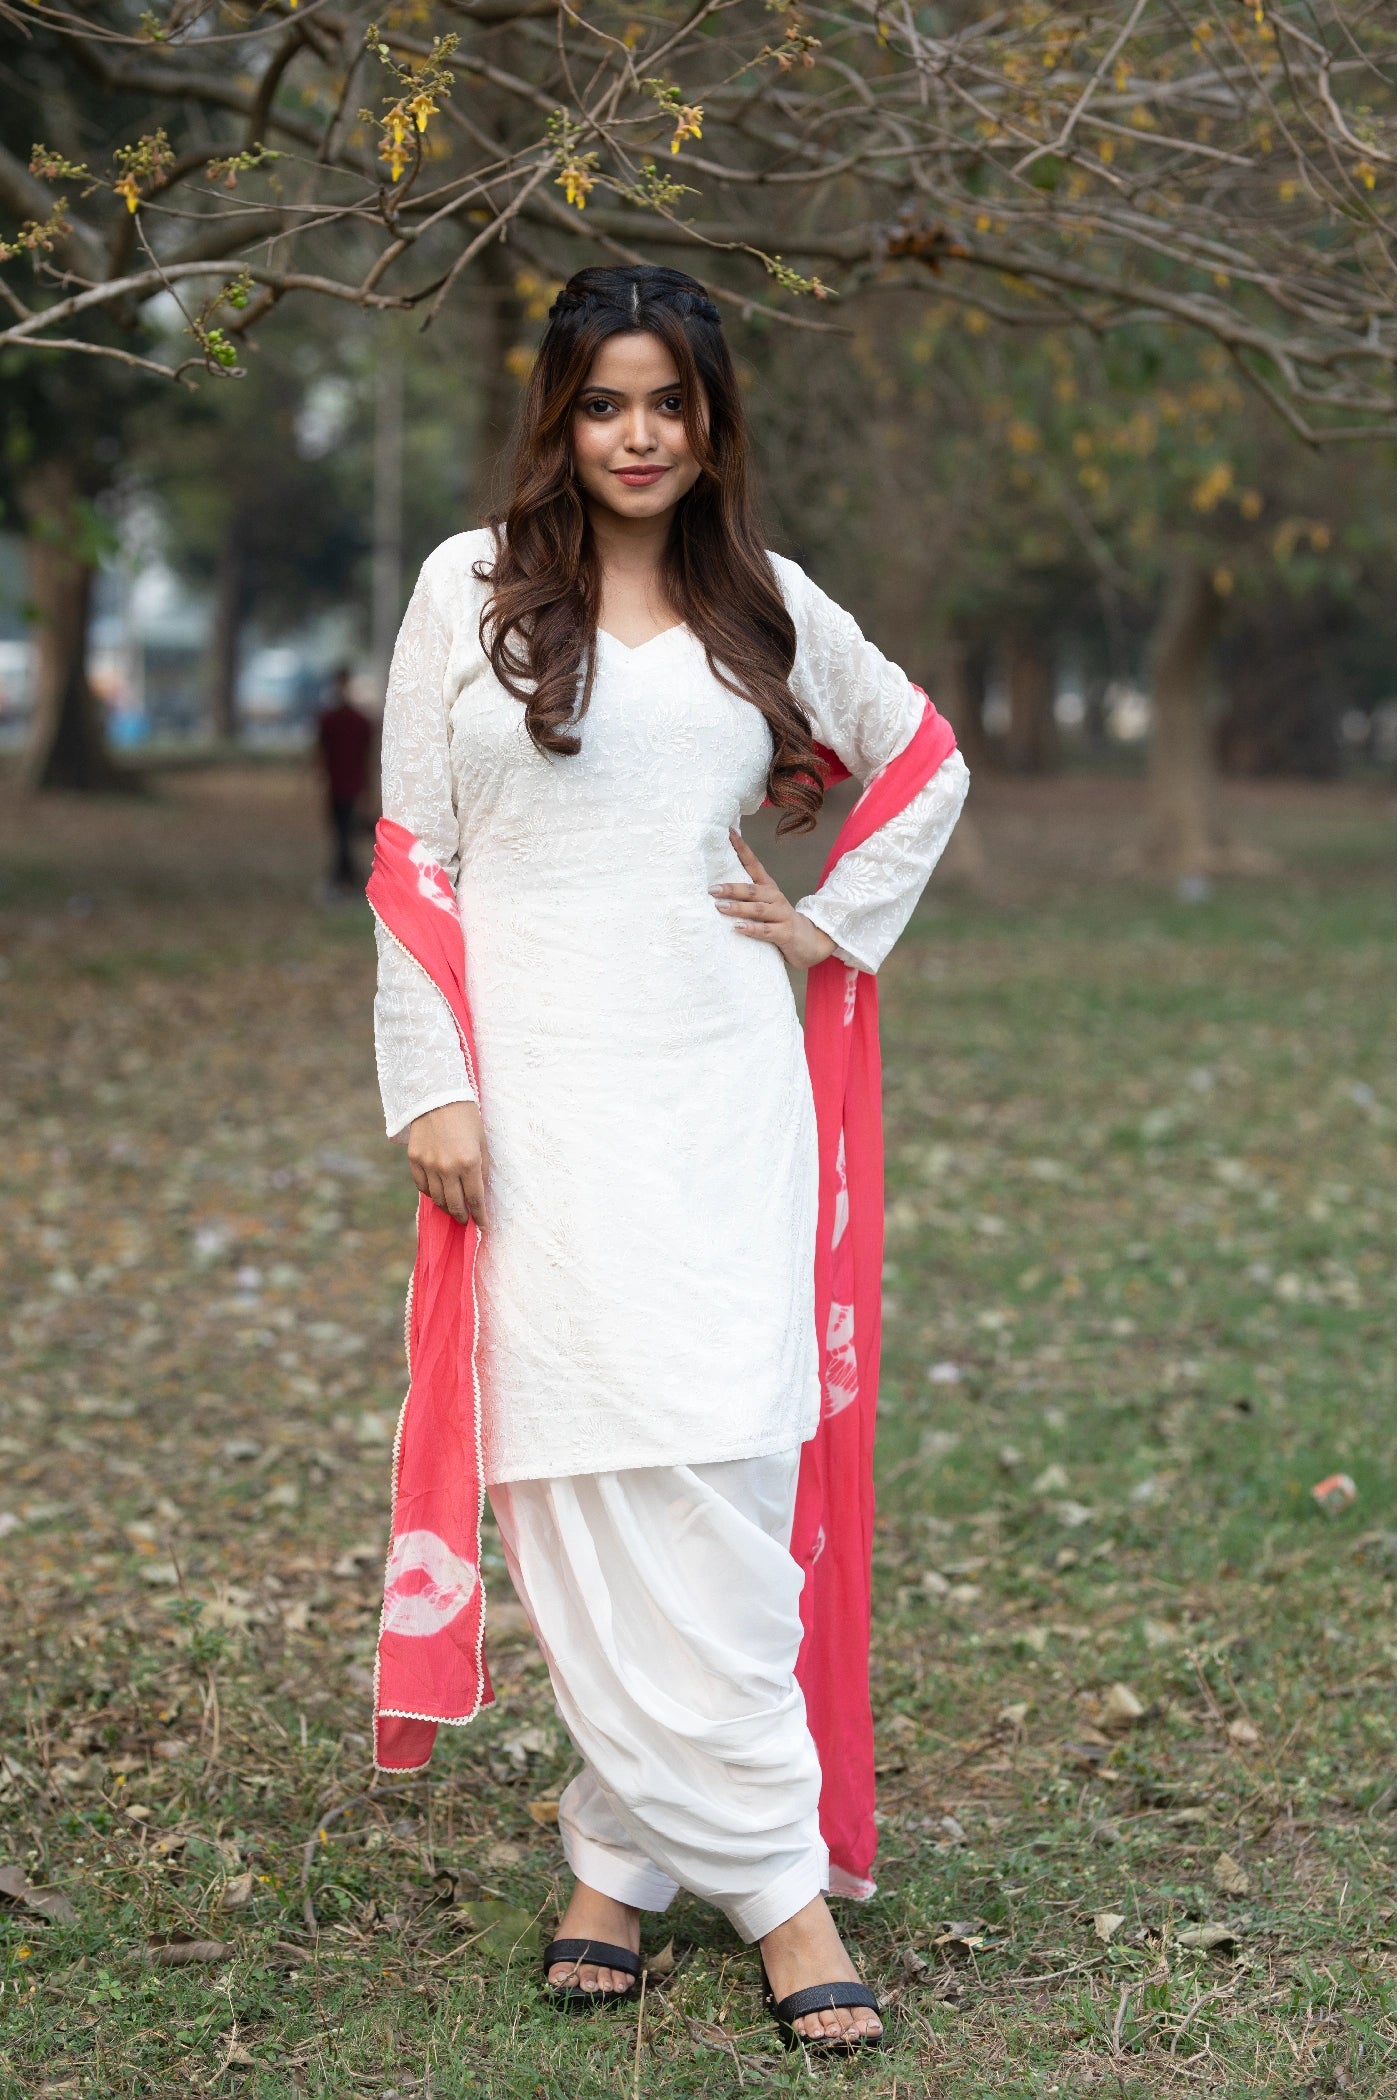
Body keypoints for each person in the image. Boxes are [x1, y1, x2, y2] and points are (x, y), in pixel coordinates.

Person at [370, 264, 969, 2051]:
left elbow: (922, 760)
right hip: (538, 1097)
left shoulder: (763, 606)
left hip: (719, 1089)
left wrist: (829, 922)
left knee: (715, 1476)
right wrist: (432, 1086)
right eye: (605, 402)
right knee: (576, 1480)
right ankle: (719, 1877)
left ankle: (690, 1879)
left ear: (711, 423)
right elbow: (413, 853)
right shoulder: (464, 593)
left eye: (670, 404)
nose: (638, 436)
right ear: (558, 414)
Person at [315, 666, 373, 892]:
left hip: (351, 784)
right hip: (339, 783)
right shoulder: (335, 720)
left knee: (345, 832)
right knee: (342, 832)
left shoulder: (356, 722)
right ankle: (346, 873)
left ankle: (344, 874)